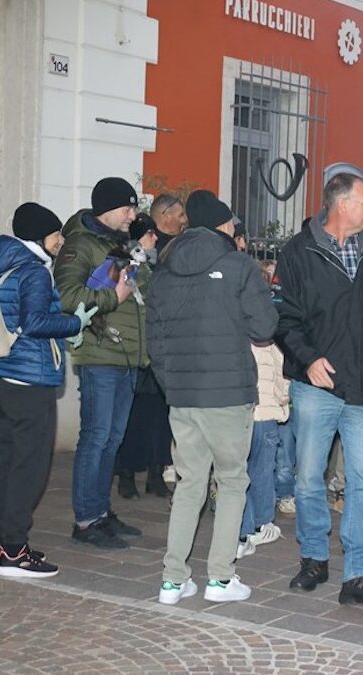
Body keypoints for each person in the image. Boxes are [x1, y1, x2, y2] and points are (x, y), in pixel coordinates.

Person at [275, 173, 363, 607]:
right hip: (318, 387)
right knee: (309, 477)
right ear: (341, 204)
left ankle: (358, 574)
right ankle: (314, 557)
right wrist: (309, 358)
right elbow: (284, 318)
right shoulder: (298, 253)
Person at [146, 190, 277, 604]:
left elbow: (155, 342)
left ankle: (172, 580)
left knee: (189, 484)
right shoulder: (238, 266)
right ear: (223, 226)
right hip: (227, 393)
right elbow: (264, 327)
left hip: (182, 395)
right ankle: (220, 579)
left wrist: (174, 385)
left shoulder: (163, 270)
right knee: (233, 481)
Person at [0, 203, 95, 577]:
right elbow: (34, 322)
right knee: (29, 468)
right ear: (39, 236)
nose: (61, 240)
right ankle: (14, 551)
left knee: (13, 465)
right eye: (56, 234)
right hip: (30, 380)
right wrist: (71, 323)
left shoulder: (6, 266)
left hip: (10, 376)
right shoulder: (32, 271)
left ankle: (3, 545)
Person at [54, 176, 149, 549]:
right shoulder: (80, 244)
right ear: (108, 208)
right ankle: (85, 520)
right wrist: (115, 295)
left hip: (126, 354)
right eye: (128, 208)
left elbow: (138, 293)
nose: (132, 215)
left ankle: (100, 512)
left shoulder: (119, 244)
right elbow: (66, 296)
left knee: (112, 438)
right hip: (99, 353)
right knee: (96, 437)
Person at [114, 213, 173, 500]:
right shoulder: (127, 265)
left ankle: (155, 474)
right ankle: (126, 476)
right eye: (150, 234)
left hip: (157, 354)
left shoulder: (157, 267)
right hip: (135, 353)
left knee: (159, 420)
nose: (156, 238)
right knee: (133, 419)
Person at [236, 315, 290, 559]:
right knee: (263, 470)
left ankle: (243, 531)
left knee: (239, 474)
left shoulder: (234, 331)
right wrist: (283, 402)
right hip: (266, 414)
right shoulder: (270, 339)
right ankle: (262, 524)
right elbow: (283, 377)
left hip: (240, 415)